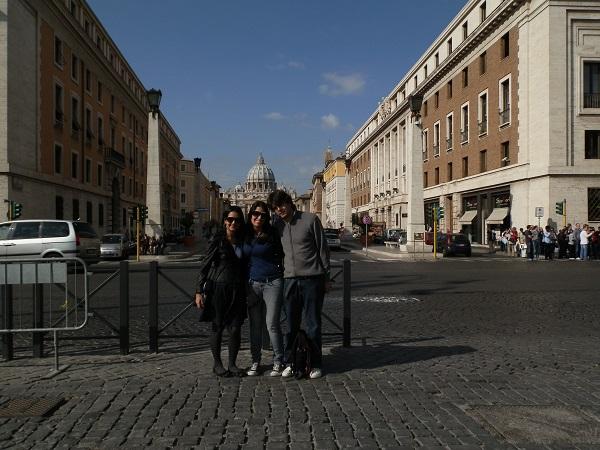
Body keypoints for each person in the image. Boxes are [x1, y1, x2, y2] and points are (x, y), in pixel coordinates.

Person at [268, 190, 330, 379]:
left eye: (282, 204)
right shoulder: (277, 225)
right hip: (289, 280)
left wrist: (326, 277)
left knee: (313, 324)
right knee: (290, 325)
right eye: (275, 207)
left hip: (313, 279)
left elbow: (323, 249)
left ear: (289, 202)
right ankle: (291, 361)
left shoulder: (310, 220)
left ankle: (315, 363)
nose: (279, 209)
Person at [195, 206, 247, 377]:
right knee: (217, 327)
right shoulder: (217, 240)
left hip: (237, 289)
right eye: (230, 219)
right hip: (218, 288)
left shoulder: (243, 240)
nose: (233, 222)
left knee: (235, 328)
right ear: (225, 221)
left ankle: (232, 364)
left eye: (237, 220)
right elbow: (204, 266)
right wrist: (198, 291)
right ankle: (217, 364)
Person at [243, 201, 285, 377]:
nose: (258, 217)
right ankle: (255, 361)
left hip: (272, 282)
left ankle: (278, 361)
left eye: (262, 215)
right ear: (250, 214)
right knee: (255, 325)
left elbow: (284, 254)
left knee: (272, 325)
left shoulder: (273, 233)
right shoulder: (244, 234)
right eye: (255, 214)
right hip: (253, 284)